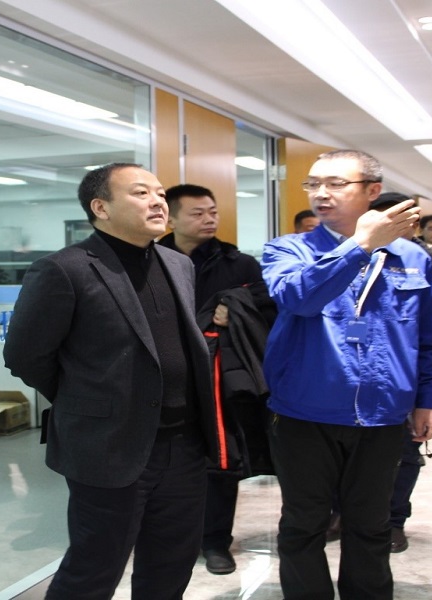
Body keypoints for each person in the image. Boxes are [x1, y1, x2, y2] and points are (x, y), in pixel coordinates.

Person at [3, 163, 220, 600]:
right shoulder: (64, 269)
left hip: (184, 445)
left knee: (171, 565)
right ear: (100, 207)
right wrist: (87, 400)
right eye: (141, 193)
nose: (158, 202)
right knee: (94, 569)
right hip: (110, 446)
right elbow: (25, 356)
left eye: (160, 193)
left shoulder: (178, 263)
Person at [262, 150, 432, 599]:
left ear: (372, 191)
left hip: (382, 414)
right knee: (304, 523)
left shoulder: (412, 258)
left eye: (336, 183)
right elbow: (299, 298)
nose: (321, 193)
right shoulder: (288, 249)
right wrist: (359, 245)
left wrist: (428, 399)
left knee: (371, 523)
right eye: (313, 184)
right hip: (305, 410)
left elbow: (427, 337)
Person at [158, 183, 276, 576]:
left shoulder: (239, 264)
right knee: (166, 460)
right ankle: (171, 538)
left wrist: (236, 309)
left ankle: (215, 541)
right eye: (197, 213)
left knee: (221, 458)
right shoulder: (149, 260)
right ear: (172, 219)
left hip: (219, 377)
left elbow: (269, 306)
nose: (209, 219)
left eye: (213, 212)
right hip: (164, 375)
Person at [370, 192, 432, 553]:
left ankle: (394, 520)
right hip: (366, 378)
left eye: (406, 217)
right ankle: (346, 513)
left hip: (421, 376)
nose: (398, 224)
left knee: (406, 453)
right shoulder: (357, 259)